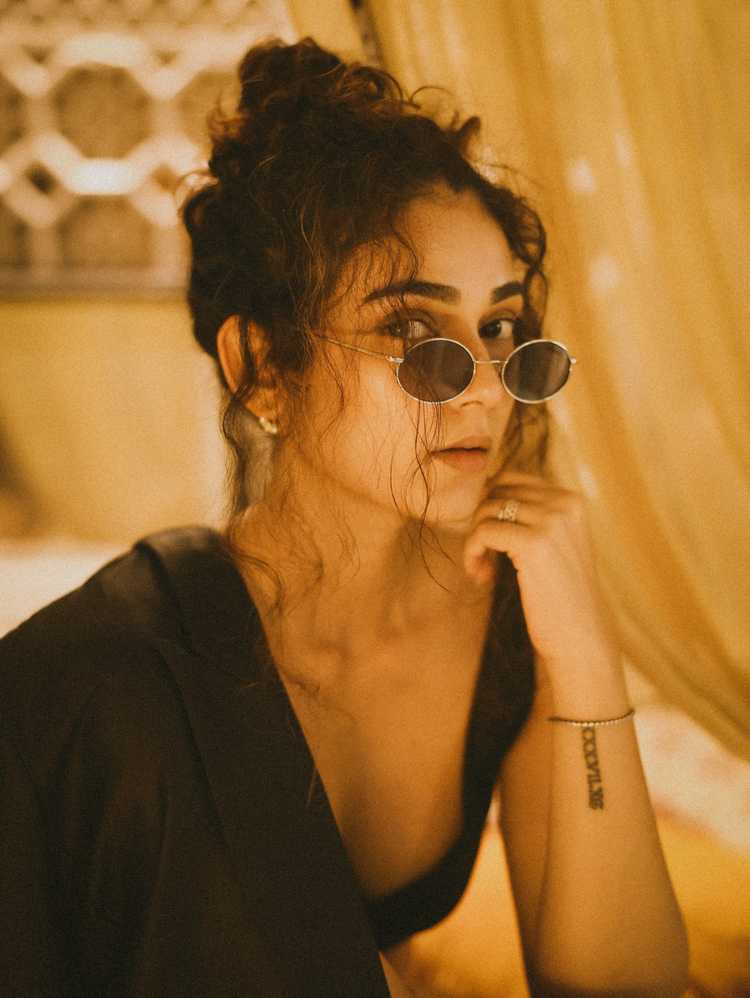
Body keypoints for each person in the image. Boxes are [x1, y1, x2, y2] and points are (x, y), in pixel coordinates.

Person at [0, 36, 689, 998]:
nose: (487, 388)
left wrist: (587, 656)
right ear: (263, 370)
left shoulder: (506, 619)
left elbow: (622, 984)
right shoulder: (88, 688)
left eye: (498, 328)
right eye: (412, 332)